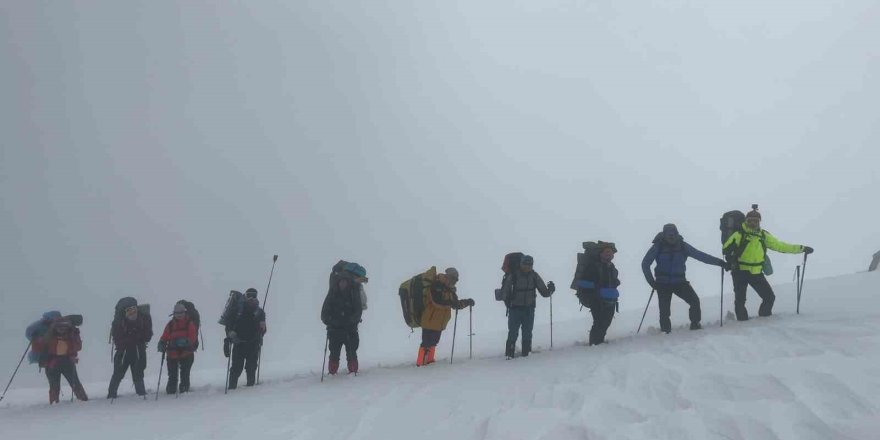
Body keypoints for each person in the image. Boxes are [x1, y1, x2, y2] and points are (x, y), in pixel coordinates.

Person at [723, 208, 813, 320]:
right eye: (750, 220)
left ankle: (764, 320)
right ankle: (743, 324)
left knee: (769, 297)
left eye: (755, 221)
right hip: (739, 271)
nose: (752, 223)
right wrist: (729, 251)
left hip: (756, 272)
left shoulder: (763, 235)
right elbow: (725, 248)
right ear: (746, 221)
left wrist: (801, 248)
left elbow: (781, 246)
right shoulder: (739, 234)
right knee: (740, 300)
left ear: (759, 222)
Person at [641, 224, 728, 333]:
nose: (671, 237)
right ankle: (666, 331)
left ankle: (694, 325)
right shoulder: (658, 246)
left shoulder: (682, 246)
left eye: (673, 234)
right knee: (665, 311)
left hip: (678, 282)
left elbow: (700, 256)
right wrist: (651, 282)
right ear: (664, 235)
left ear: (677, 234)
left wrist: (720, 263)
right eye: (669, 235)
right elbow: (645, 264)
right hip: (663, 284)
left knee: (694, 301)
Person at [417, 267, 474, 366]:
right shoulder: (436, 285)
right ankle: (420, 363)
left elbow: (456, 305)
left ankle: (429, 361)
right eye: (453, 279)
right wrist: (450, 303)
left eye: (456, 280)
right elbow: (436, 302)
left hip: (439, 322)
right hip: (429, 319)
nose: (454, 282)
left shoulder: (451, 290)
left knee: (434, 341)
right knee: (426, 342)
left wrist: (467, 302)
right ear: (448, 276)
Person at [501, 255, 554, 358]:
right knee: (513, 332)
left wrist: (550, 290)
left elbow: (544, 292)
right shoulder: (513, 276)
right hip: (515, 309)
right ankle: (509, 354)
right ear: (521, 264)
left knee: (527, 332)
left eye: (530, 265)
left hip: (528, 309)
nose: (527, 267)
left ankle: (526, 354)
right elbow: (505, 293)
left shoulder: (534, 276)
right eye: (525, 264)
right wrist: (508, 303)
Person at [321, 263, 366, 375]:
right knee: (336, 353)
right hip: (339, 329)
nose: (343, 284)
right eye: (341, 281)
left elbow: (358, 311)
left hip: (346, 329)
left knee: (350, 353)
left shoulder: (352, 291)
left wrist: (347, 322)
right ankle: (335, 373)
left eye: (345, 281)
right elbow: (324, 314)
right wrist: (335, 322)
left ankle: (352, 372)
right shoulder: (334, 292)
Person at [574, 242, 620, 346]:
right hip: (595, 298)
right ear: (601, 254)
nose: (609, 254)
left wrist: (616, 282)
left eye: (611, 253)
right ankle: (595, 343)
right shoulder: (593, 266)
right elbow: (582, 282)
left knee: (606, 322)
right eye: (606, 252)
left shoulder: (612, 267)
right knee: (599, 321)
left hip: (609, 299)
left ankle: (598, 342)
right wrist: (596, 287)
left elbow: (613, 281)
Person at [108, 302, 152, 398]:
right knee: (119, 374)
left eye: (134, 311)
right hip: (125, 352)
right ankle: (112, 395)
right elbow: (118, 339)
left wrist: (135, 338)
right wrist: (135, 338)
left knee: (137, 373)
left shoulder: (143, 320)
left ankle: (140, 393)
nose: (132, 314)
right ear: (125, 313)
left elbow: (148, 336)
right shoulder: (119, 323)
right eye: (129, 312)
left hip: (132, 351)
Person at [225, 288, 267, 388]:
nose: (251, 298)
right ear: (245, 296)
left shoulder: (260, 312)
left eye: (254, 295)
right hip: (239, 343)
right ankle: (232, 388)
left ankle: (250, 389)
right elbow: (229, 326)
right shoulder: (237, 310)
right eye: (249, 295)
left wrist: (262, 330)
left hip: (253, 343)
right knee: (236, 368)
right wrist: (228, 339)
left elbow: (263, 330)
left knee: (251, 367)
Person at [41, 317, 88, 403]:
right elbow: (43, 349)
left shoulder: (71, 335)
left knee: (70, 383)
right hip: (58, 363)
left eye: (64, 328)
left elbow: (78, 347)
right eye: (59, 328)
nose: (62, 330)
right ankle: (82, 399)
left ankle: (55, 403)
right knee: (57, 385)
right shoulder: (50, 336)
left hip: (56, 363)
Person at [158, 303, 197, 394]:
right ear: (174, 314)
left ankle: (184, 390)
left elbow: (192, 338)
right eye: (177, 313)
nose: (179, 315)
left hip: (186, 353)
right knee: (172, 374)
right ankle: (171, 390)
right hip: (172, 354)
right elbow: (164, 336)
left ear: (185, 313)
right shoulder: (170, 325)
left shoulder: (189, 324)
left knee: (185, 374)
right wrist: (162, 343)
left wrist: (184, 343)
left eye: (181, 313)